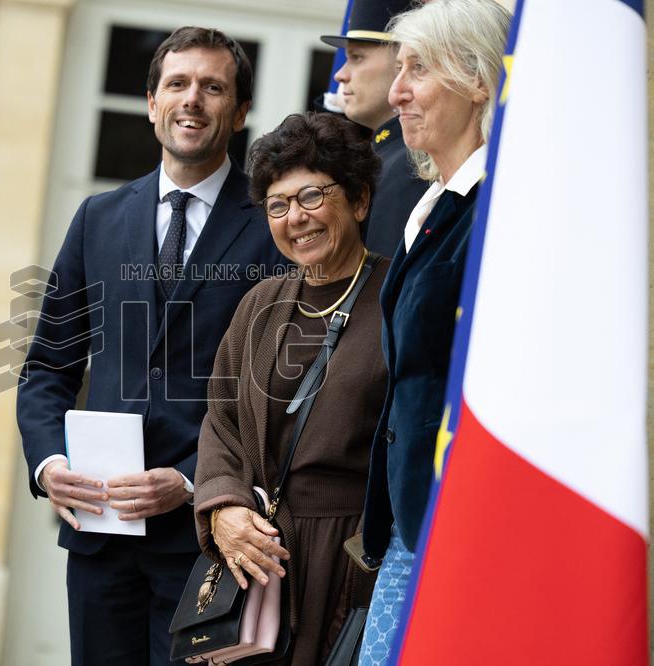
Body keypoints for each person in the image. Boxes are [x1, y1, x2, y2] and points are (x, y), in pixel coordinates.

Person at [17, 26, 287, 666]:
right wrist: (49, 464)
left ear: (240, 112)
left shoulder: (273, 227)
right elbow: (48, 365)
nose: (192, 99)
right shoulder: (98, 217)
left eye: (212, 87)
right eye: (177, 84)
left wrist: (194, 481)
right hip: (99, 539)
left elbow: (282, 391)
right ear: (151, 102)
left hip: (208, 541)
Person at [194, 111, 388, 665]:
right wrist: (223, 509)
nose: (294, 218)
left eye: (311, 196)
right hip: (260, 560)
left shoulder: (398, 300)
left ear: (359, 200)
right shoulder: (262, 303)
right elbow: (222, 420)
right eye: (277, 205)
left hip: (352, 558)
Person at [357, 2, 512, 663]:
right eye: (397, 70)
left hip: (467, 528)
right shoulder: (432, 206)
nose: (396, 93)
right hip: (412, 523)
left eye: (417, 69)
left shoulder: (503, 209)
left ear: (478, 79)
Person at [321, 0, 427, 258]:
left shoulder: (408, 164)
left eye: (356, 57)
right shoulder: (387, 156)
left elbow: (381, 277)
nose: (340, 75)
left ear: (404, 59)